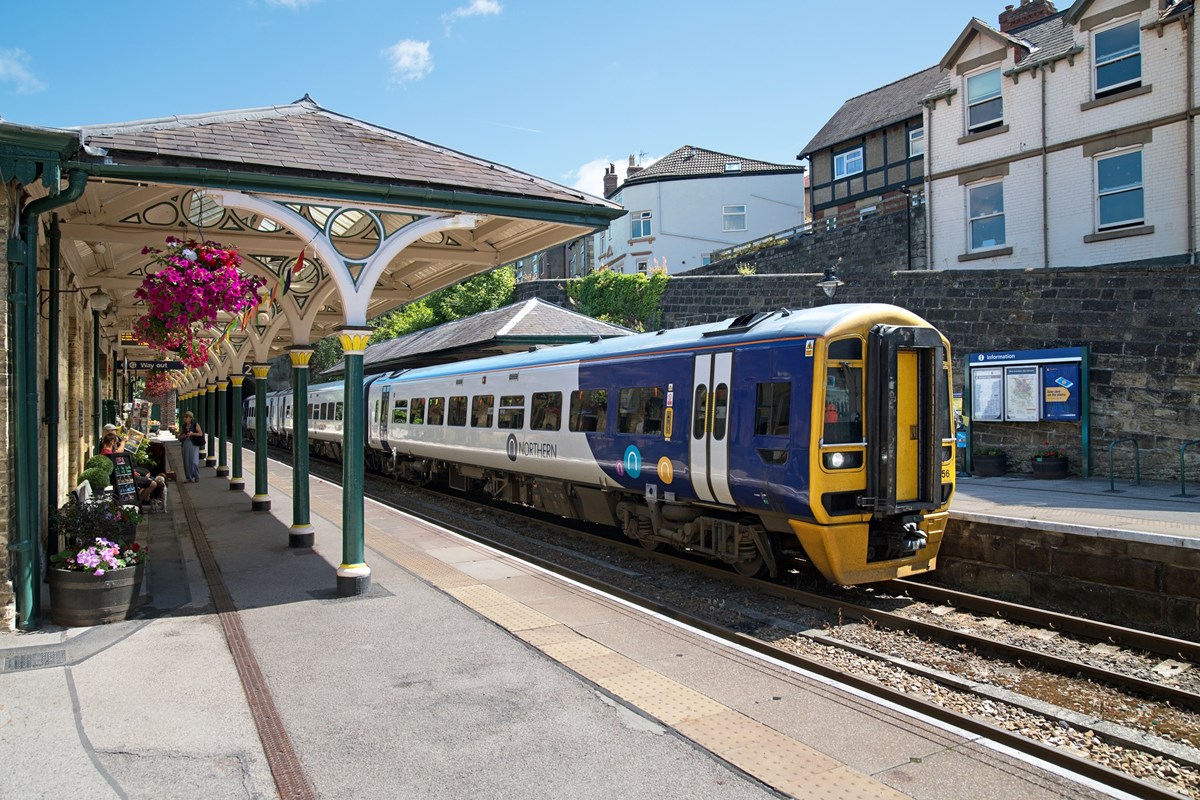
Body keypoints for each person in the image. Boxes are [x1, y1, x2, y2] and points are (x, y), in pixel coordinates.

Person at [178, 411, 203, 483]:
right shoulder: (183, 426)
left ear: (191, 418)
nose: (185, 418)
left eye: (186, 417)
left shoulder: (195, 425)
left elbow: (200, 434)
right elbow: (179, 436)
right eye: (184, 417)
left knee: (194, 461)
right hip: (186, 443)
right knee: (186, 461)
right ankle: (188, 477)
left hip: (194, 444)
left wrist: (192, 434)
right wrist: (183, 436)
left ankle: (196, 475)